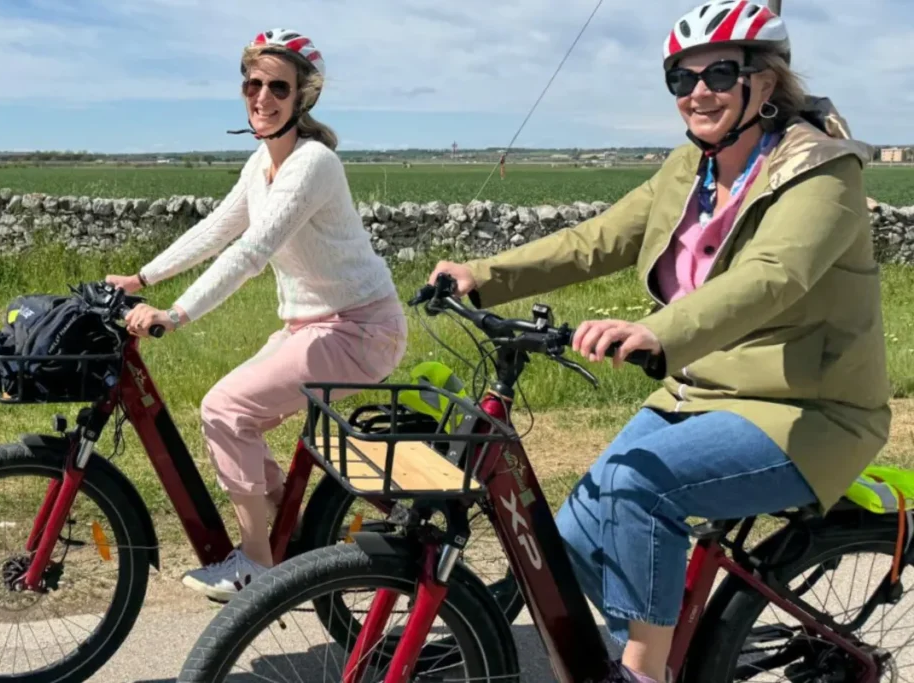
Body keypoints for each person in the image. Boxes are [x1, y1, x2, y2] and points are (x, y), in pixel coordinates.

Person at [427, 2, 891, 681]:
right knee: (573, 537)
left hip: (807, 409)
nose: (698, 92)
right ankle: (667, 654)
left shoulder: (821, 172)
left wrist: (657, 330)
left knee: (637, 487)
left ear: (765, 82)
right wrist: (483, 276)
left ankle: (645, 673)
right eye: (682, 78)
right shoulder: (688, 169)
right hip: (698, 393)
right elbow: (597, 239)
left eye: (719, 73)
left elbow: (772, 278)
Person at [107, 28, 408, 602]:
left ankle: (257, 566)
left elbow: (251, 252)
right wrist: (141, 279)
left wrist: (176, 313)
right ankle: (297, 537)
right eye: (253, 84)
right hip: (312, 326)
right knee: (233, 416)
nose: (262, 97)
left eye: (278, 87)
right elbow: (216, 229)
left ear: (303, 96)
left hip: (362, 329)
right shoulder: (260, 163)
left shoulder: (313, 163)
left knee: (226, 409)